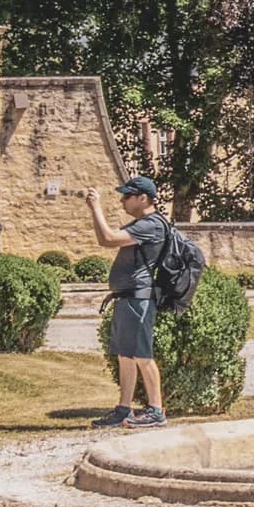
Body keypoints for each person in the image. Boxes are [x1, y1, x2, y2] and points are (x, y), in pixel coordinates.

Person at [87, 175, 170, 429]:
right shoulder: (142, 223)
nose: (122, 200)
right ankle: (124, 409)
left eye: (127, 196)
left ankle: (156, 410)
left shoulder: (151, 225)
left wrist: (95, 207)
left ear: (142, 198)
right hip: (128, 299)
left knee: (142, 355)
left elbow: (108, 239)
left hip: (138, 299)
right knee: (126, 356)